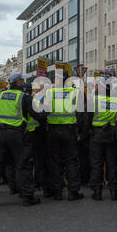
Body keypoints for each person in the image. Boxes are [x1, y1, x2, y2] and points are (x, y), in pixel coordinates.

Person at [0, 72, 44, 208]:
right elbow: (37, 115)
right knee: (23, 165)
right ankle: (27, 197)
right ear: (19, 82)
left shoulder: (0, 95)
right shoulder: (23, 97)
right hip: (17, 135)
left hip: (1, 134)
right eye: (22, 79)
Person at [45, 70, 84, 201]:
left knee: (55, 161)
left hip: (53, 131)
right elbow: (80, 114)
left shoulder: (49, 93)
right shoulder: (75, 92)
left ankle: (57, 192)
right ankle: (73, 192)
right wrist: (80, 132)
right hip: (69, 131)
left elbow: (44, 112)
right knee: (71, 161)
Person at [86, 81, 117, 201]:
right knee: (112, 164)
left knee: (96, 164)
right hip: (111, 135)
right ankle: (114, 192)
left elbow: (87, 119)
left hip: (96, 135)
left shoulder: (93, 100)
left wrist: (86, 135)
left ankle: (97, 192)